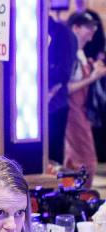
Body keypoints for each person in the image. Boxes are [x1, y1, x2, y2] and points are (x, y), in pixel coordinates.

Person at [64, 11, 106, 182]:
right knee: (84, 162)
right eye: (88, 27)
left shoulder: (81, 54)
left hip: (83, 113)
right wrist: (93, 77)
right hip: (73, 114)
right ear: (76, 28)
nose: (93, 31)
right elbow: (66, 88)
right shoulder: (71, 55)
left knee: (84, 162)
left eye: (94, 27)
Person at [48, 16, 74, 165]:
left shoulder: (60, 32)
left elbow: (63, 72)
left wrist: (49, 92)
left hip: (55, 104)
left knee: (53, 158)